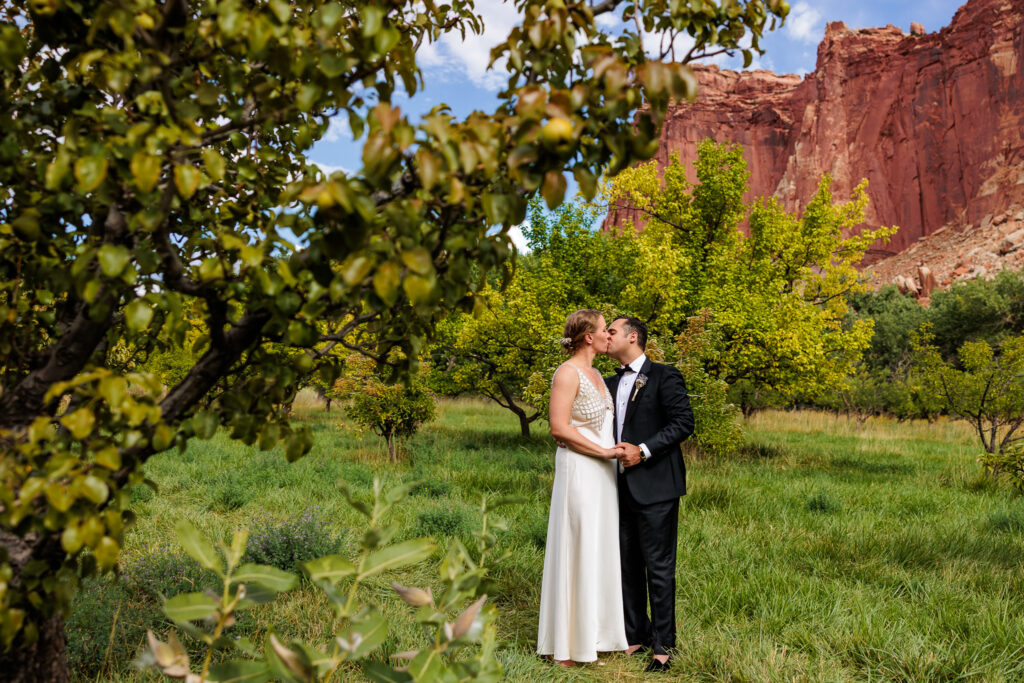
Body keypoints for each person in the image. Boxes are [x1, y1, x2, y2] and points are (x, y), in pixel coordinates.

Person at [536, 309, 629, 666]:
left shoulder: (599, 376)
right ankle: (566, 646)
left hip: (605, 476)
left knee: (598, 547)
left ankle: (595, 635)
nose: (610, 335)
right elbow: (559, 428)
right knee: (577, 546)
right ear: (588, 336)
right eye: (606, 330)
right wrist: (605, 451)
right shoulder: (567, 373)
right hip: (579, 471)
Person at [605, 315, 694, 673]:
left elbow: (683, 422)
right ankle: (634, 635)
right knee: (625, 564)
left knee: (658, 567)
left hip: (656, 485)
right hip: (616, 486)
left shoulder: (664, 375)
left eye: (612, 331)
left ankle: (663, 646)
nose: (606, 337)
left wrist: (642, 450)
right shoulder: (608, 382)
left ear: (632, 336)